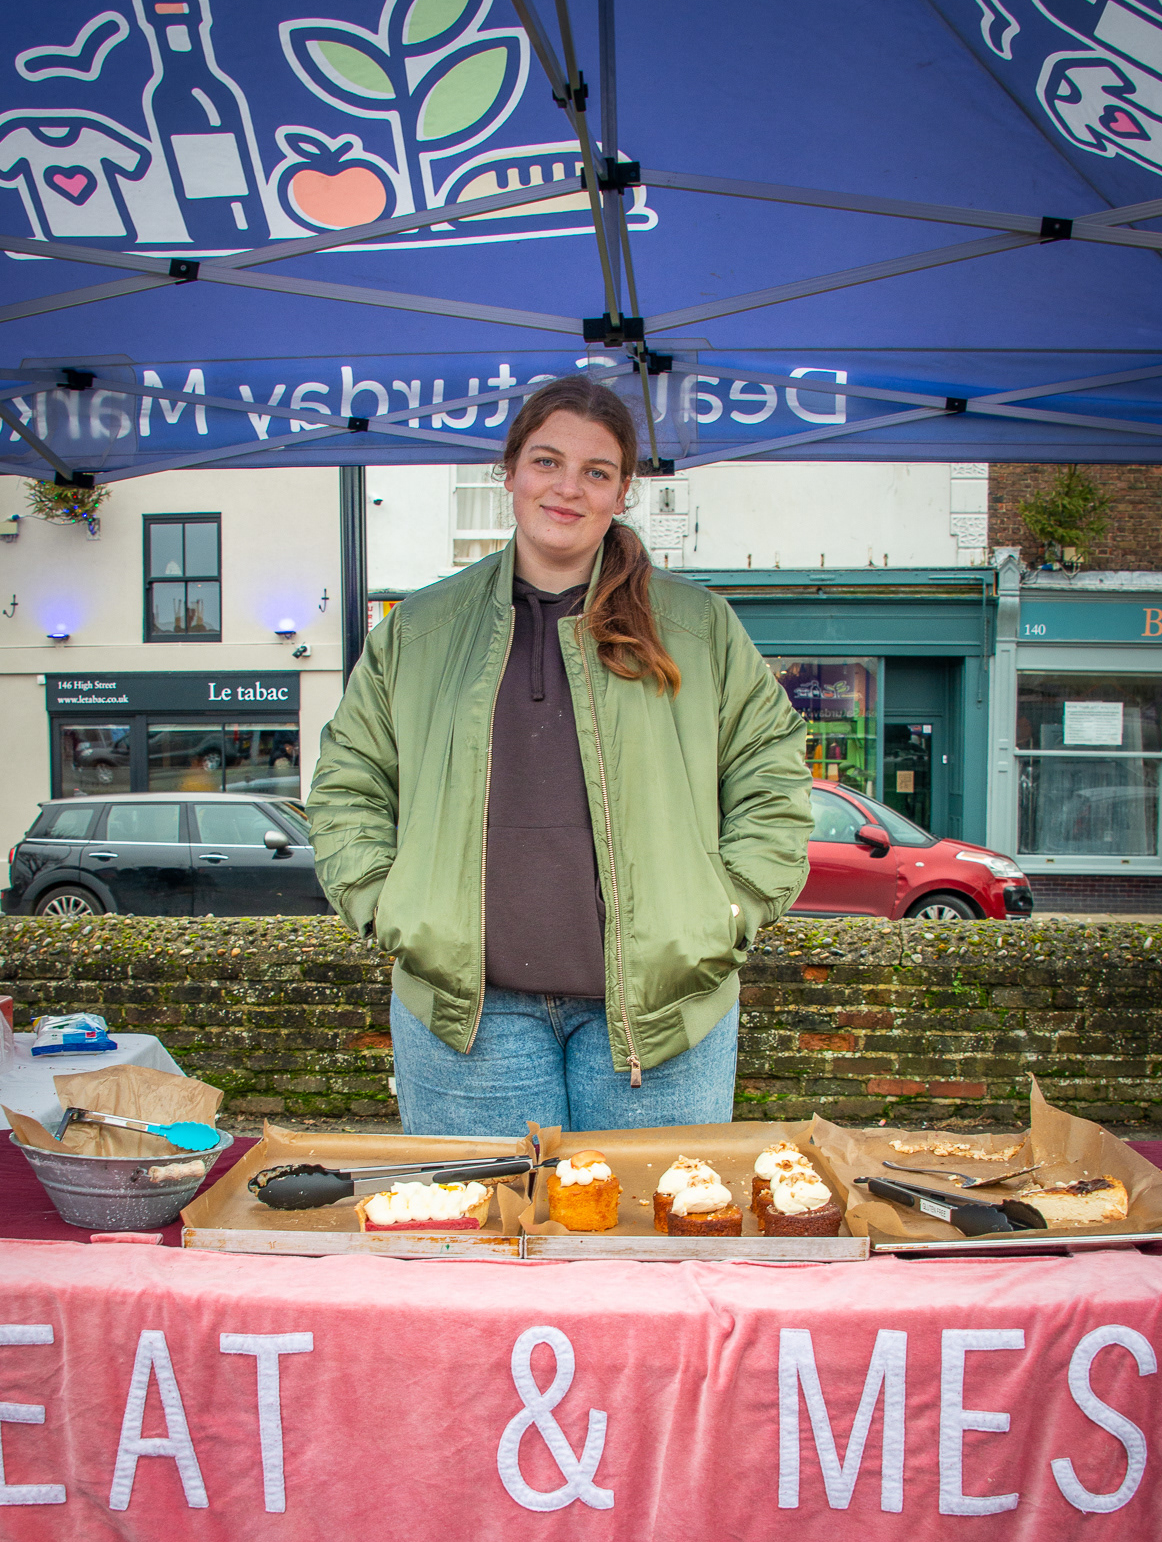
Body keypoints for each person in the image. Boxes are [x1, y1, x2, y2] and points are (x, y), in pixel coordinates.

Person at [306, 375, 811, 1136]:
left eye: (596, 472)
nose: (567, 488)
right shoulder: (418, 631)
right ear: (508, 472)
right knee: (485, 1244)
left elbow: (772, 777)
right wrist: (387, 906)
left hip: (661, 1016)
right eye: (546, 462)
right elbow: (348, 787)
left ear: (622, 492)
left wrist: (726, 910)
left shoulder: (699, 628)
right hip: (467, 1021)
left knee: (648, 1248)